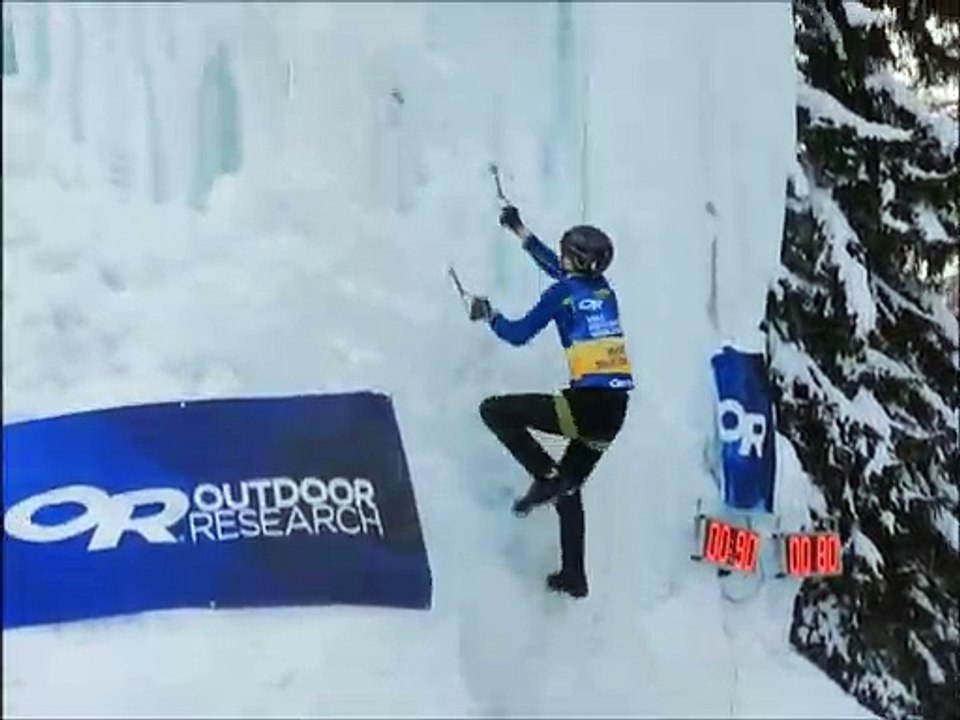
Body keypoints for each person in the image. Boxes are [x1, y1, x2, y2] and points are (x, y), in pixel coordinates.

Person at [469, 205, 634, 599]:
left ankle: (545, 478)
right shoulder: (602, 288)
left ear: (574, 261)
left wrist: (489, 315)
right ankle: (574, 575)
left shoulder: (562, 294)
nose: (559, 258)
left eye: (564, 252)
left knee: (494, 411)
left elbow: (518, 334)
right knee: (570, 490)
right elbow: (557, 269)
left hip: (586, 405)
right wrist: (522, 232)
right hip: (614, 414)